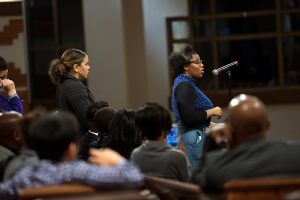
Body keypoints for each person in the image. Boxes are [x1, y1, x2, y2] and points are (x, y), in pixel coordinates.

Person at [0, 111, 143, 199]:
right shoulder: (79, 171)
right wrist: (116, 159)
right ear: (72, 149)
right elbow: (134, 177)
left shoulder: (27, 175)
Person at [191, 94, 300, 193]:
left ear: (230, 129)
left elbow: (195, 187)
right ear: (267, 124)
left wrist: (210, 139)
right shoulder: (295, 154)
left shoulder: (216, 167)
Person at [169, 44, 223, 169]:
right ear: (186, 66)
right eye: (197, 62)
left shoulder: (185, 83)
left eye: (201, 62)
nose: (201, 65)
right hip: (194, 140)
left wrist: (212, 125)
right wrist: (212, 111)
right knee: (197, 178)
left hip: (194, 137)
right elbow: (189, 117)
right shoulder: (184, 86)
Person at [131, 103, 190, 182]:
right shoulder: (177, 156)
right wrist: (182, 152)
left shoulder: (135, 154)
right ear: (165, 130)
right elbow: (189, 184)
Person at [48, 49, 96, 134]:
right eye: (86, 64)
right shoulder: (75, 87)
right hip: (82, 141)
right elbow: (87, 119)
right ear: (76, 67)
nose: (89, 67)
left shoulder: (64, 84)